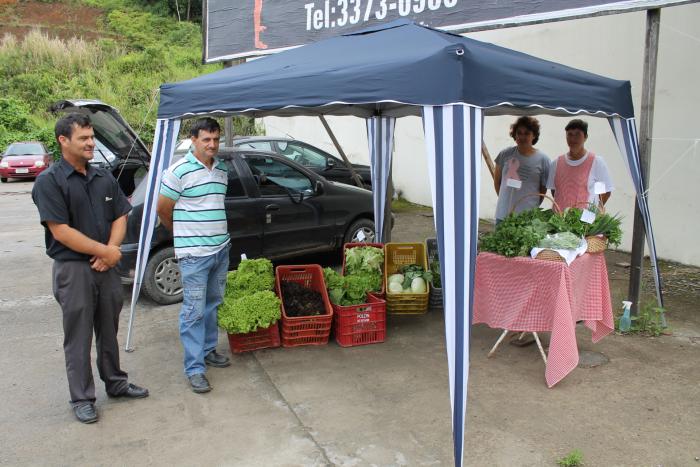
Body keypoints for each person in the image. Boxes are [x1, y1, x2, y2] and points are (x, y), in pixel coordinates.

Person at [32, 113, 149, 424]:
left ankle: (116, 383)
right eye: (83, 138)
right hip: (74, 270)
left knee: (108, 329)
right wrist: (108, 252)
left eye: (92, 137)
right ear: (63, 141)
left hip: (106, 269)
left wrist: (111, 253)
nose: (91, 143)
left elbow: (120, 216)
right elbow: (61, 231)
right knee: (79, 336)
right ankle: (82, 397)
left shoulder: (103, 177)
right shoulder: (49, 182)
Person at [157, 117, 231, 394]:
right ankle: (195, 368)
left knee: (213, 303)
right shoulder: (179, 171)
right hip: (194, 255)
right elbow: (163, 208)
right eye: (206, 140)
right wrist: (183, 236)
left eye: (215, 139)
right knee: (193, 311)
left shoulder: (221, 169)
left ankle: (209, 350)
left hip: (221, 249)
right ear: (193, 140)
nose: (212, 145)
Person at [547, 119, 614, 211]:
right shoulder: (556, 163)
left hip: (584, 223)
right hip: (558, 220)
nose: (573, 138)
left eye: (578, 134)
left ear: (585, 137)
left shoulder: (596, 162)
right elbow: (554, 191)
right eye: (570, 134)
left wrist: (592, 213)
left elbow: (604, 192)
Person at [493, 116, 550, 223]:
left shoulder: (544, 160)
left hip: (527, 218)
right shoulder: (504, 154)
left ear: (534, 136)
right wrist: (505, 203)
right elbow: (497, 182)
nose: (522, 137)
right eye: (519, 133)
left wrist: (531, 207)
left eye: (527, 133)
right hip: (503, 216)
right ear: (514, 135)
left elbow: (542, 191)